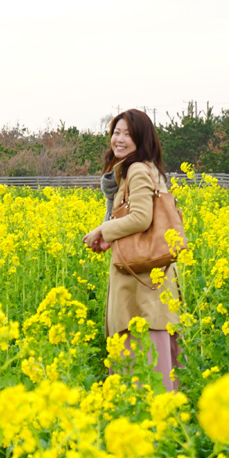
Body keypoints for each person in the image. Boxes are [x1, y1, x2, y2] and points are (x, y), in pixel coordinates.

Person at [81, 108, 184, 392]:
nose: (120, 139)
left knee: (141, 351)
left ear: (142, 138)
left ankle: (144, 422)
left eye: (128, 133)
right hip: (152, 275)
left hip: (140, 279)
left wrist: (103, 231)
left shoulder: (137, 169)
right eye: (116, 132)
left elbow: (142, 217)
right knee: (154, 349)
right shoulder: (147, 168)